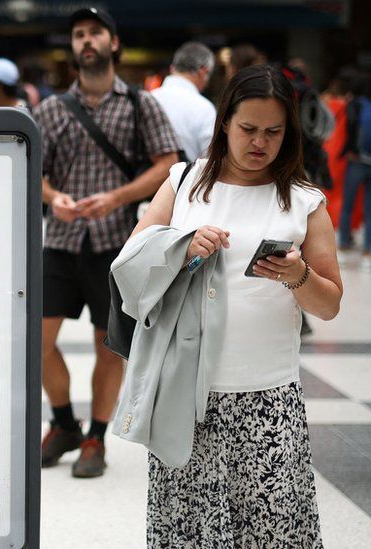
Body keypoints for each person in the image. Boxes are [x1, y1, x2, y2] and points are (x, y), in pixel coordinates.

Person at [131, 63, 341, 547]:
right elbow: (130, 262)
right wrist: (181, 244)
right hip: (187, 393)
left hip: (268, 399)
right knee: (188, 531)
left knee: (271, 531)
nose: (259, 143)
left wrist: (298, 276)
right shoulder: (184, 181)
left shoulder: (305, 200)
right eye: (248, 128)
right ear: (224, 121)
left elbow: (329, 304)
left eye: (273, 131)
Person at [32, 6, 180, 478]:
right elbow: (34, 171)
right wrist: (54, 198)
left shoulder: (141, 104)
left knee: (108, 344)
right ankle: (61, 423)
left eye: (95, 32)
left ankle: (96, 436)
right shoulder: (51, 108)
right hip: (59, 238)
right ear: (73, 46)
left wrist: (117, 197)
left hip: (117, 244)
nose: (86, 40)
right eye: (79, 34)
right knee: (36, 340)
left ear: (113, 43)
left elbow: (167, 165)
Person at [151, 42, 217, 161]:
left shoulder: (148, 98)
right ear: (203, 72)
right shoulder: (204, 108)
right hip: (188, 178)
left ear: (172, 68)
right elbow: (211, 161)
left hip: (144, 178)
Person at [339, 70, 371, 266]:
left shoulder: (355, 104)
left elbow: (348, 128)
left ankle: (344, 241)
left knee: (348, 204)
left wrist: (348, 150)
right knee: (370, 208)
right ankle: (368, 247)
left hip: (357, 160)